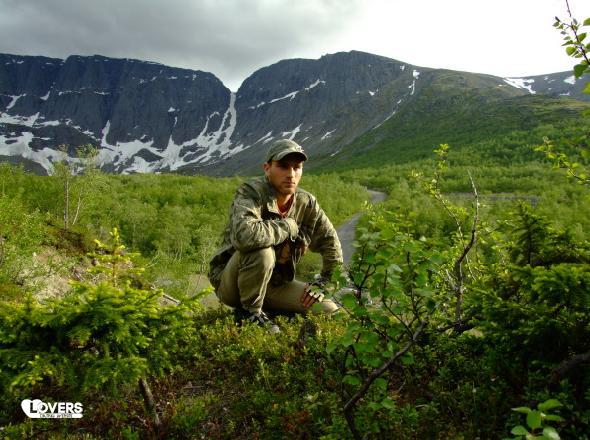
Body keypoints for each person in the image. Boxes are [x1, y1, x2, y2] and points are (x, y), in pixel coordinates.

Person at [208, 139, 342, 332]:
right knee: (263, 251)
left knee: (327, 308)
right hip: (234, 284)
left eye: (297, 167)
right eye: (283, 166)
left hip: (274, 283)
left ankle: (272, 313)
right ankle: (249, 313)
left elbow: (331, 244)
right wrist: (287, 226)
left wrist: (324, 284)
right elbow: (245, 237)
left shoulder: (306, 204)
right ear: (267, 168)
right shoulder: (251, 192)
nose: (291, 174)